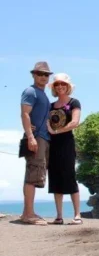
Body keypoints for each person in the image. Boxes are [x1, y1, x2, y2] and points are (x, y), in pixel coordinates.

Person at [46, 73, 83, 225]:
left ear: (67, 86)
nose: (60, 86)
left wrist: (57, 131)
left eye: (62, 84)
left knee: (69, 175)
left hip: (67, 143)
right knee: (54, 177)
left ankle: (77, 215)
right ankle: (59, 216)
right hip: (52, 145)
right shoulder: (50, 106)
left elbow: (75, 122)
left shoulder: (74, 102)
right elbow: (45, 123)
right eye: (57, 84)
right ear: (54, 87)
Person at [20, 61, 53, 225]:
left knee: (34, 172)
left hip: (43, 137)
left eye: (46, 74)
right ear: (33, 75)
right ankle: (29, 215)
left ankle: (26, 212)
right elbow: (25, 114)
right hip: (36, 137)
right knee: (33, 173)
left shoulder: (42, 94)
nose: (43, 77)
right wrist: (31, 136)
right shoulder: (30, 91)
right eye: (40, 74)